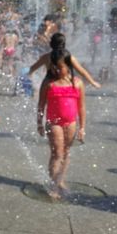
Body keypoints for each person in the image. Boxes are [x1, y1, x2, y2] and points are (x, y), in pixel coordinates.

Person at [37, 48, 86, 200]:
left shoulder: (77, 83)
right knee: (57, 153)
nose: (57, 70)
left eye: (60, 67)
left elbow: (81, 107)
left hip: (71, 122)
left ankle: (60, 180)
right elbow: (41, 105)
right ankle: (53, 185)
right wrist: (39, 123)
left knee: (65, 152)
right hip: (54, 123)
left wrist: (82, 127)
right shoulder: (49, 83)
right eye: (54, 67)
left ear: (68, 66)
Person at [29, 33, 101, 89]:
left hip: (50, 83)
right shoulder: (68, 57)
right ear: (64, 44)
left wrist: (30, 79)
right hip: (65, 83)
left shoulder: (46, 57)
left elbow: (32, 68)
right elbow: (82, 71)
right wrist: (92, 82)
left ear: (51, 44)